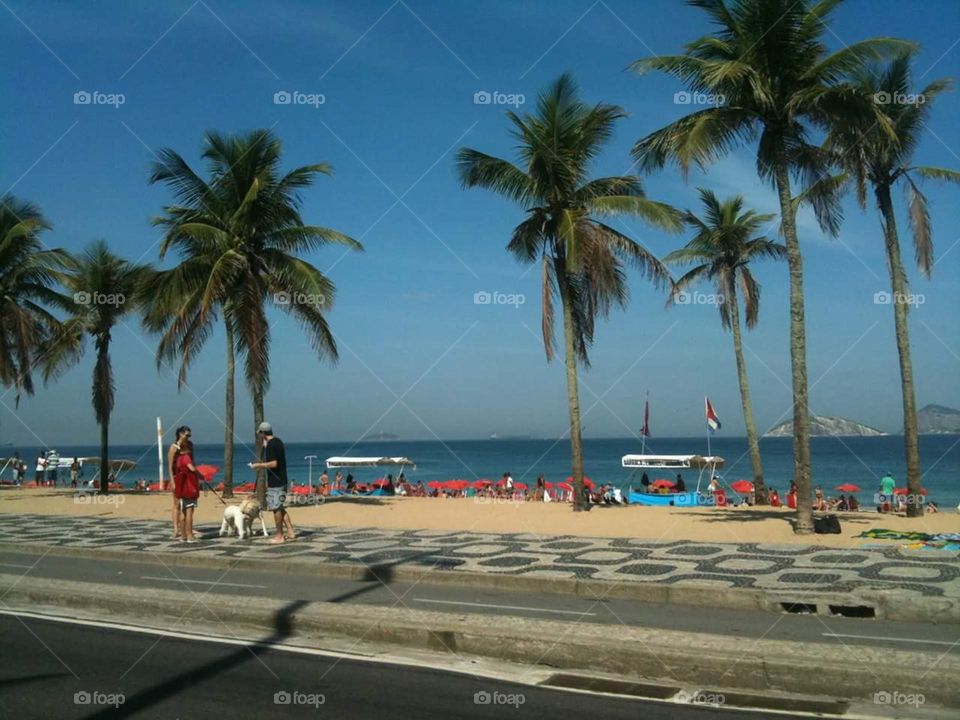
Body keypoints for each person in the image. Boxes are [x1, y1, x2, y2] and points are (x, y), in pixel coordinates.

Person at [249, 422, 294, 543]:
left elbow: (274, 463)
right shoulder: (278, 441)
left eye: (260, 433)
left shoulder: (270, 446)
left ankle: (279, 536)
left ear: (263, 433)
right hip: (283, 479)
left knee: (276, 509)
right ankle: (290, 531)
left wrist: (259, 465)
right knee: (279, 506)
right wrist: (265, 446)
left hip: (276, 482)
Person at [174, 436, 200, 542]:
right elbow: (191, 468)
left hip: (181, 489)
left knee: (182, 512)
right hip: (189, 488)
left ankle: (183, 535)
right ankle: (190, 535)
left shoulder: (178, 459)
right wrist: (198, 473)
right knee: (189, 512)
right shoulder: (187, 457)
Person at [168, 426, 191, 539]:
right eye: (187, 435)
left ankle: (186, 528)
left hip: (187, 476)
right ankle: (176, 529)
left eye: (189, 435)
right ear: (180, 434)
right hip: (177, 476)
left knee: (188, 503)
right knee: (177, 503)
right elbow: (170, 465)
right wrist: (172, 481)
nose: (188, 437)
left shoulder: (190, 445)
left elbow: (192, 460)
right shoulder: (174, 447)